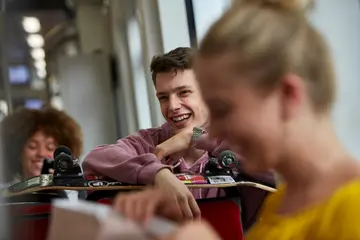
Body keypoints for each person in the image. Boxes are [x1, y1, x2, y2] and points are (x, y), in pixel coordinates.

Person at [112, 0, 360, 239]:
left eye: (223, 109)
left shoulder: (352, 210)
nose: (215, 130)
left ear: (287, 96)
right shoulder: (281, 203)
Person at [82, 47, 274, 228]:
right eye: (163, 97)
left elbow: (269, 171)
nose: (173, 106)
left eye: (184, 93)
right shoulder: (150, 141)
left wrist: (196, 137)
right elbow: (96, 158)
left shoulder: (235, 138)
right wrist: (158, 174)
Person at [0, 106, 83, 186]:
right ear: (17, 152)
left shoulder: (74, 194)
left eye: (50, 147)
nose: (41, 153)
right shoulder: (5, 195)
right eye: (32, 146)